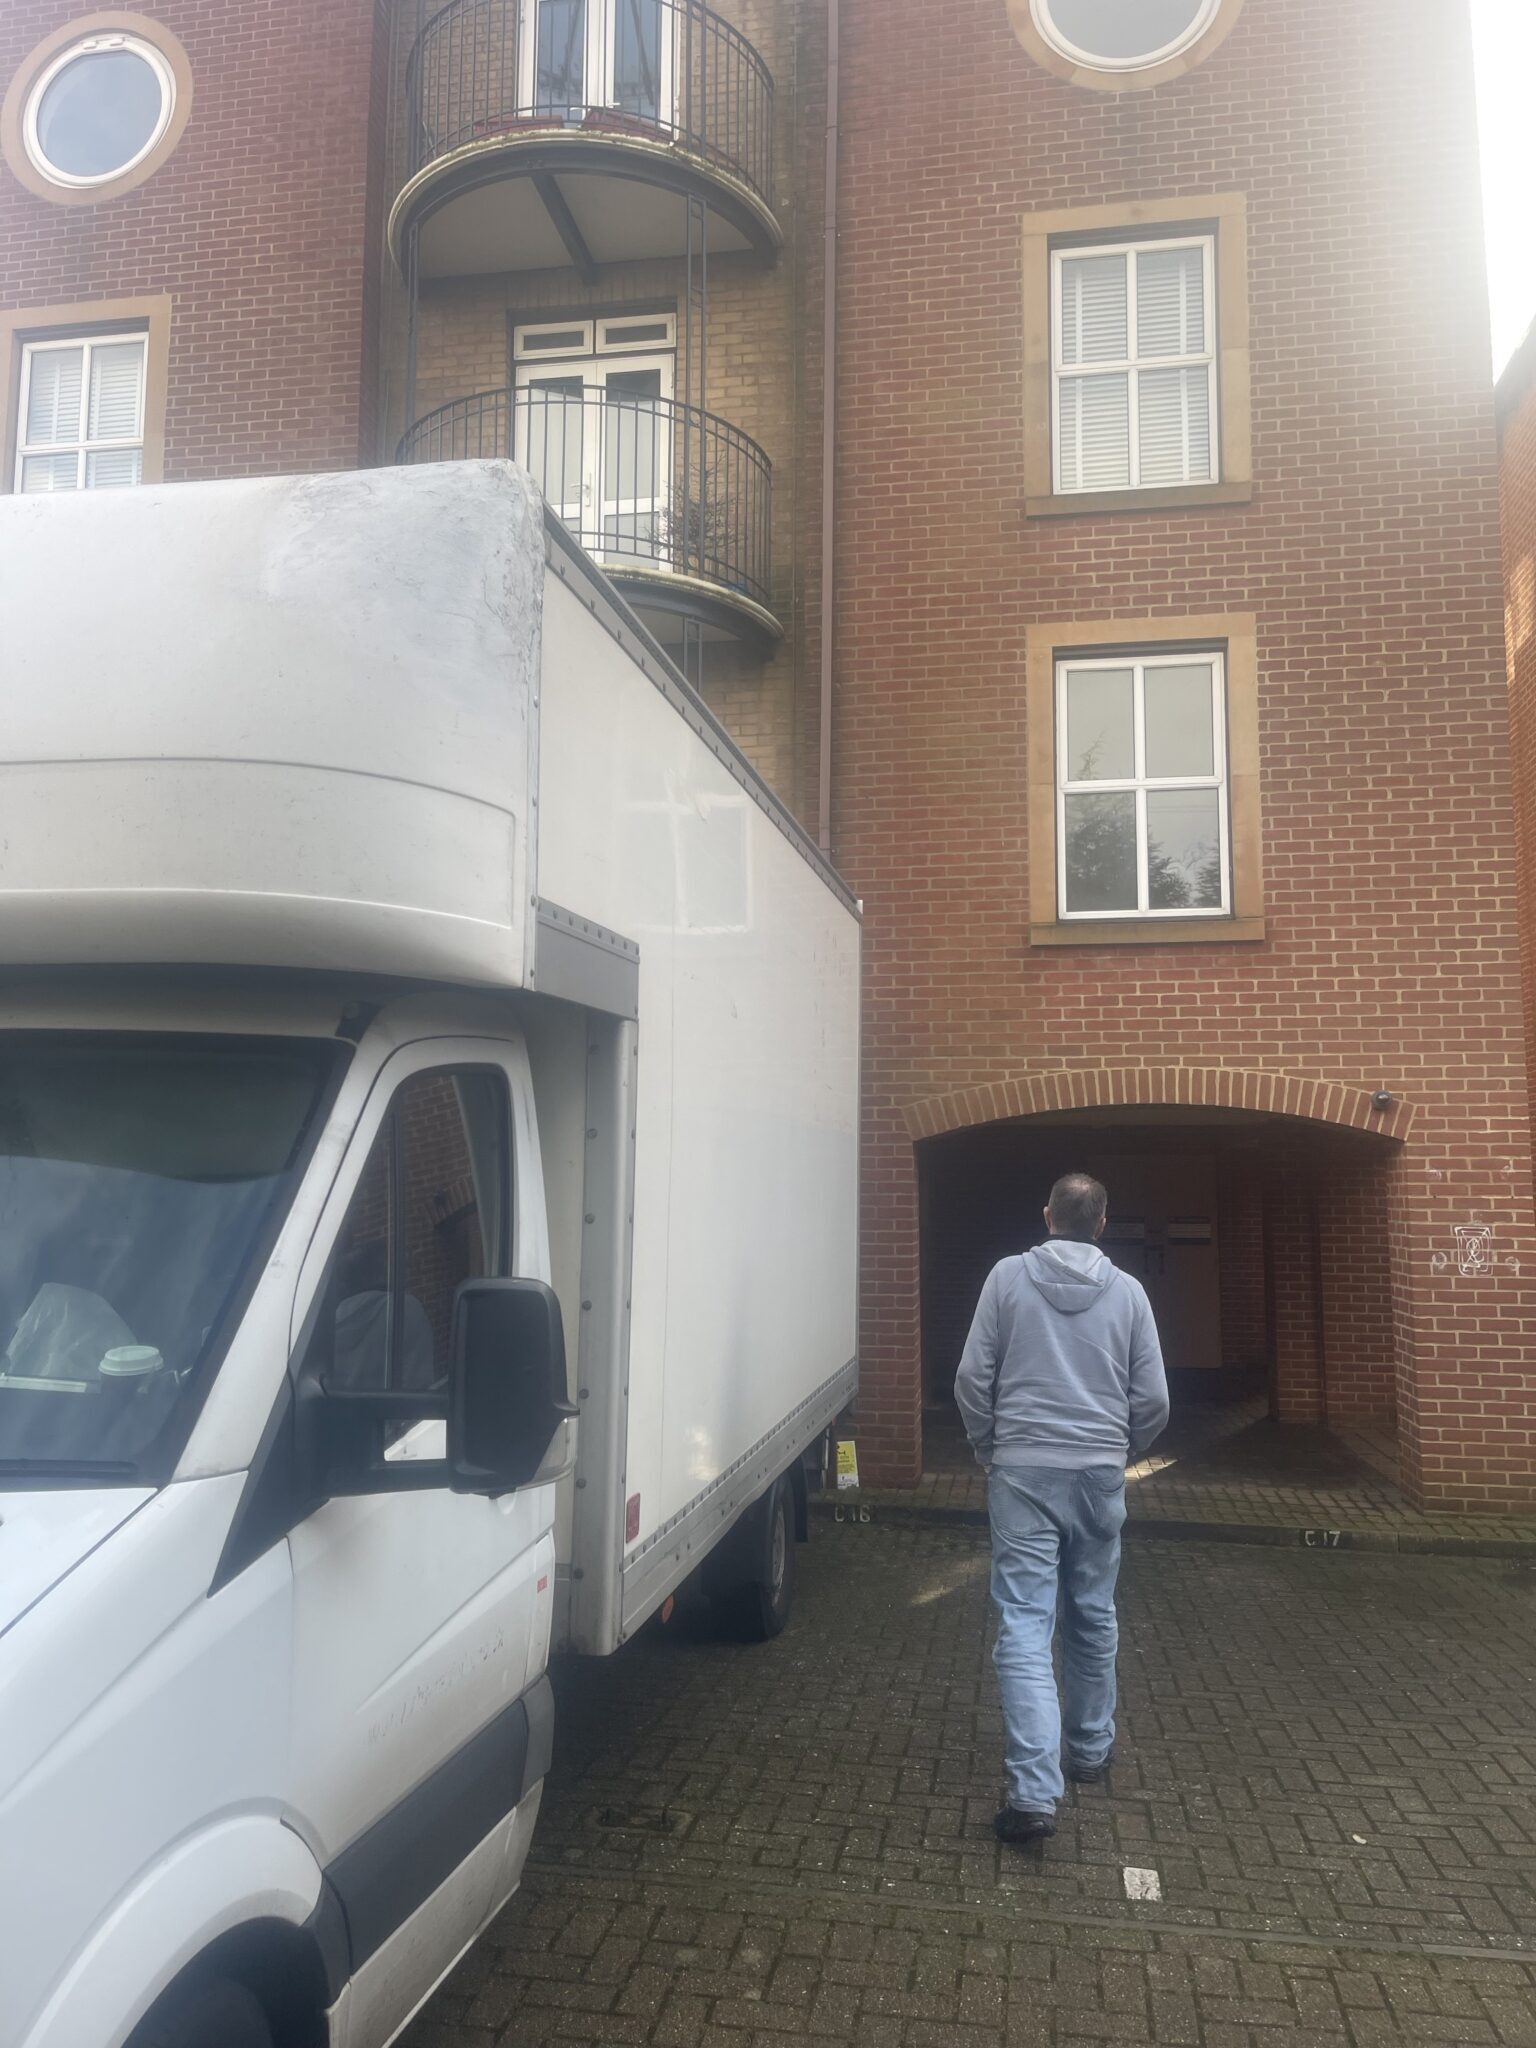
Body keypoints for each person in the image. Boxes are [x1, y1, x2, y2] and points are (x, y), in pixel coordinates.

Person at [954, 1172, 1169, 1847]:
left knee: (1024, 1621)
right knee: (1094, 1610)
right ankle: (1090, 1751)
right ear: (1102, 1224)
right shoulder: (1130, 1295)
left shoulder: (1005, 1279)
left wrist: (990, 1446)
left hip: (1020, 1472)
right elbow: (1155, 1400)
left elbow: (970, 1379)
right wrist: (1119, 1450)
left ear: (1048, 1215)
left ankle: (1033, 1793)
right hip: (1099, 1474)